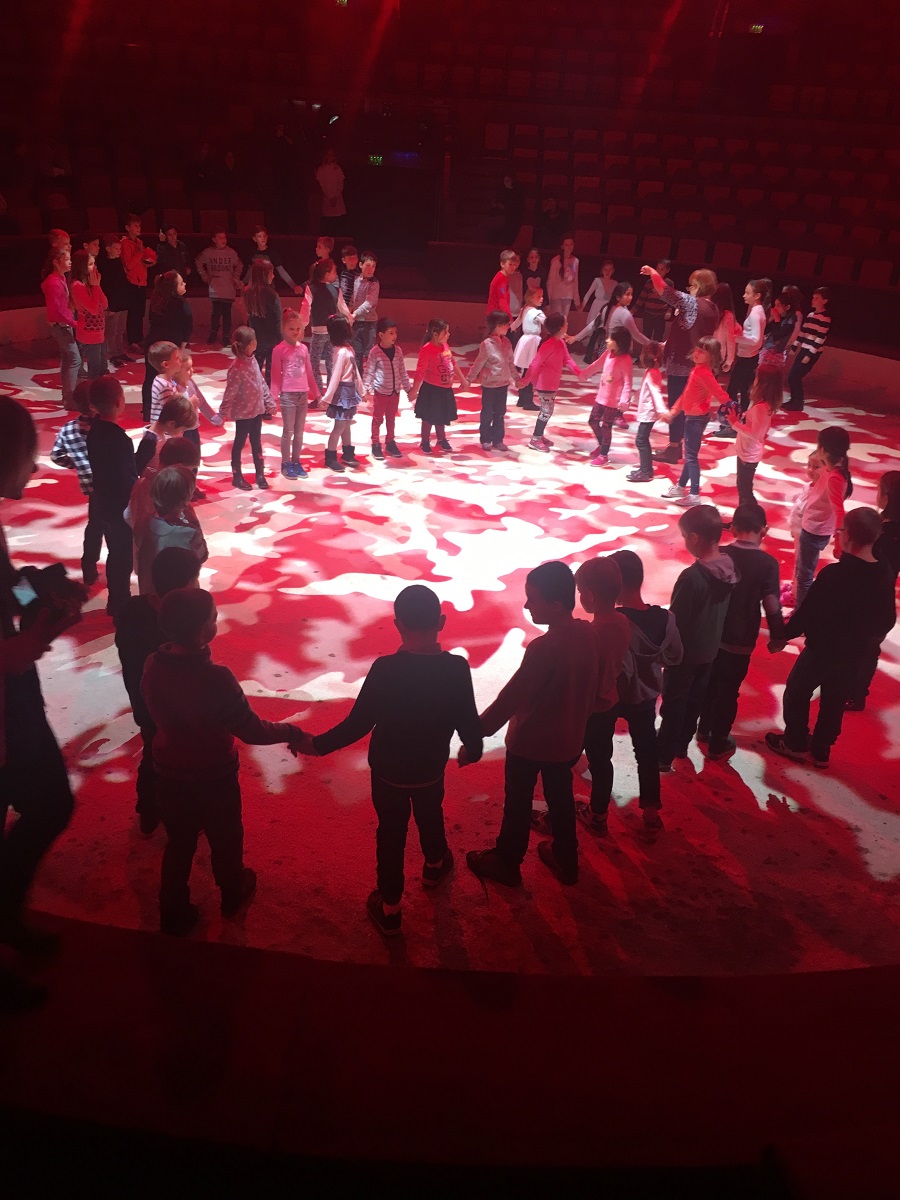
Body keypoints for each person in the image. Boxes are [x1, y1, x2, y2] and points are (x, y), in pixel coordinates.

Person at [300, 585, 483, 936]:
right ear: (441, 622)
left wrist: (317, 745)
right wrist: (472, 747)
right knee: (430, 813)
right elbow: (467, 718)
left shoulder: (385, 669)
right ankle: (434, 865)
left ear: (398, 625)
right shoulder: (457, 668)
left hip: (387, 772)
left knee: (391, 832)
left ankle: (390, 907)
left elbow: (357, 723)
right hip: (430, 768)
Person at [141, 587, 305, 934]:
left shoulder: (152, 664)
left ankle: (171, 908)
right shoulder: (217, 678)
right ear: (204, 630)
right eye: (214, 618)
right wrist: (291, 730)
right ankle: (232, 891)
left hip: (168, 769)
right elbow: (251, 729)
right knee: (225, 835)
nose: (217, 622)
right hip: (213, 774)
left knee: (179, 840)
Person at [0, 396, 82, 987]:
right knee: (48, 803)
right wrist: (33, 639)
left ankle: (5, 913)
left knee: (50, 802)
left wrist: (40, 594)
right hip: (6, 691)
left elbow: (8, 591)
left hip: (15, 693)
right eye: (29, 453)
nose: (34, 466)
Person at [466, 561, 599, 887]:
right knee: (561, 796)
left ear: (555, 605)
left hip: (530, 743)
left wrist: (478, 731)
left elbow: (512, 697)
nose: (526, 605)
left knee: (518, 800)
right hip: (568, 741)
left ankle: (507, 861)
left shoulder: (544, 649)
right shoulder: (588, 634)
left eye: (533, 599)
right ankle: (567, 859)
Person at [766, 507, 896, 769]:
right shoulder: (883, 573)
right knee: (834, 701)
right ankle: (822, 748)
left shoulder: (834, 574)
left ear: (847, 536)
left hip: (821, 650)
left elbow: (806, 614)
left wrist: (782, 636)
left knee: (797, 691)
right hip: (854, 655)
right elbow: (887, 620)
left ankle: (795, 742)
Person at [114, 546, 202, 835]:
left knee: (152, 747)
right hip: (175, 708)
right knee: (180, 757)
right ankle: (180, 813)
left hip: (140, 697)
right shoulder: (181, 621)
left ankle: (148, 810)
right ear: (189, 582)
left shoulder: (131, 610)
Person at [698, 502, 784, 760]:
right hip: (741, 638)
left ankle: (703, 729)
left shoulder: (719, 554)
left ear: (733, 529)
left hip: (711, 634)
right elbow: (771, 602)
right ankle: (718, 742)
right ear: (764, 531)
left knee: (709, 683)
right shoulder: (768, 564)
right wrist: (777, 635)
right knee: (728, 691)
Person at [605, 549, 683, 830]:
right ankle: (650, 812)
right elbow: (676, 656)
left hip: (612, 695)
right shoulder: (666, 619)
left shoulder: (611, 621)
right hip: (645, 697)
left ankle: (598, 808)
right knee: (646, 752)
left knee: (599, 747)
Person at [656, 504, 737, 773]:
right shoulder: (729, 568)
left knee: (674, 704)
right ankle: (681, 745)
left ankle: (663, 755)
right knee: (694, 703)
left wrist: (664, 653)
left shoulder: (691, 577)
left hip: (684, 654)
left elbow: (676, 621)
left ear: (693, 537)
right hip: (709, 651)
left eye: (683, 536)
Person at [567, 557, 641, 836]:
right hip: (609, 703)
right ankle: (599, 814)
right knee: (601, 761)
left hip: (588, 708)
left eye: (580, 591)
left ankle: (560, 813)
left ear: (590, 595)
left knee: (566, 757)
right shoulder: (622, 621)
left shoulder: (591, 633)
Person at [639, 263, 719, 465]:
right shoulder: (713, 309)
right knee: (687, 406)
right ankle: (679, 446)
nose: (689, 288)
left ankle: (674, 447)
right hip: (697, 364)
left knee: (677, 404)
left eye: (691, 285)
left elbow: (665, 291)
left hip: (682, 364)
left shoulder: (693, 304)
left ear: (699, 286)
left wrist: (653, 273)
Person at [846, 471, 900, 711]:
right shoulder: (888, 531)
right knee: (869, 650)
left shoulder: (879, 534)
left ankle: (852, 692)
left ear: (886, 498)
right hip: (884, 603)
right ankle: (857, 693)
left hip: (865, 603)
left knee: (859, 649)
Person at [86, 377, 137, 617]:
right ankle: (120, 601)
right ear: (119, 402)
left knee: (115, 552)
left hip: (102, 501)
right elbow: (128, 475)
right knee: (122, 555)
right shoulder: (119, 439)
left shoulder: (94, 431)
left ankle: (116, 599)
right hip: (119, 507)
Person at [660, 337, 730, 507]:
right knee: (690, 455)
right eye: (697, 349)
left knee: (691, 457)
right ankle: (681, 487)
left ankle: (694, 494)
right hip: (692, 418)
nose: (697, 353)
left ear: (712, 356)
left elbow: (721, 394)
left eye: (702, 351)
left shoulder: (704, 374)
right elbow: (686, 394)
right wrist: (674, 411)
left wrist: (734, 411)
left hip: (696, 420)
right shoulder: (697, 371)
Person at [793, 425, 852, 607]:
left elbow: (839, 510)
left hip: (814, 529)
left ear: (823, 450)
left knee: (804, 576)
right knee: (803, 571)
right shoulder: (832, 469)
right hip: (814, 525)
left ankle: (801, 613)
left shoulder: (835, 477)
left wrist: (839, 539)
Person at [50, 381, 103, 584]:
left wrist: (77, 464)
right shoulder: (106, 428)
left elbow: (56, 455)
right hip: (111, 484)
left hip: (90, 484)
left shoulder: (68, 429)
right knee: (115, 525)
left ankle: (89, 564)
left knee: (94, 525)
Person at [219, 326, 277, 490]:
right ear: (251, 343)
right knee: (239, 443)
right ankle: (237, 475)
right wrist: (222, 413)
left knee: (256, 442)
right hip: (243, 413)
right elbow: (230, 392)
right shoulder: (237, 367)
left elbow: (261, 383)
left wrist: (269, 401)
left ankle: (260, 473)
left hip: (257, 411)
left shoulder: (253, 361)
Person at [710, 279, 768, 436]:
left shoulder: (756, 313)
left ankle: (732, 425)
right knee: (742, 390)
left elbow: (756, 340)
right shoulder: (757, 311)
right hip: (748, 356)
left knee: (733, 390)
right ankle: (739, 423)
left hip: (748, 357)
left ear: (757, 295)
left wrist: (735, 338)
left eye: (748, 293)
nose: (744, 296)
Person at [518, 311, 580, 451]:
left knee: (547, 410)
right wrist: (526, 380)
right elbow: (535, 363)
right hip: (545, 383)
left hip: (552, 382)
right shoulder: (549, 344)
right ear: (561, 328)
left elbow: (567, 359)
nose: (568, 324)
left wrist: (579, 373)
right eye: (566, 322)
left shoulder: (560, 343)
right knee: (546, 411)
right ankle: (535, 439)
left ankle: (539, 436)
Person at [270, 308, 320, 479]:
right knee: (288, 431)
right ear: (283, 329)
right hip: (288, 396)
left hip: (303, 395)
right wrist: (273, 398)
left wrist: (318, 394)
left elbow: (310, 373)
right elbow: (275, 376)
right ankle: (286, 463)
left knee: (299, 432)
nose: (295, 332)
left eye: (298, 329)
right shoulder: (278, 350)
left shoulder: (304, 349)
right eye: (291, 329)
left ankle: (296, 461)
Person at [409, 318, 467, 455]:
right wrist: (414, 390)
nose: (448, 334)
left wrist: (463, 380)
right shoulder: (427, 349)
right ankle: (425, 441)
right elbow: (420, 371)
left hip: (445, 390)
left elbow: (453, 363)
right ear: (435, 334)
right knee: (428, 417)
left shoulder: (445, 346)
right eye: (445, 332)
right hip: (431, 390)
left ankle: (441, 439)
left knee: (441, 415)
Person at [726, 363, 782, 503]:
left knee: (745, 490)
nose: (754, 379)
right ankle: (745, 514)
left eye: (757, 377)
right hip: (747, 452)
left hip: (749, 454)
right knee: (743, 487)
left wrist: (734, 423)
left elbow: (756, 434)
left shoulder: (761, 408)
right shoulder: (763, 405)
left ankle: (748, 514)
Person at [467, 310, 518, 453]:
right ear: (498, 325)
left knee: (500, 413)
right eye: (506, 324)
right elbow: (478, 364)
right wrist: (468, 380)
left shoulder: (507, 342)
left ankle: (498, 440)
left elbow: (510, 363)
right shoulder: (487, 344)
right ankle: (485, 439)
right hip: (489, 385)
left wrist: (517, 378)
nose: (508, 326)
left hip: (503, 384)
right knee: (487, 413)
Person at [143, 272, 192, 420]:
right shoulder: (181, 303)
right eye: (181, 283)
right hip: (170, 345)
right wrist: (181, 346)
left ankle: (148, 410)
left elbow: (151, 321)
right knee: (172, 377)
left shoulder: (156, 300)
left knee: (150, 376)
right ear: (173, 288)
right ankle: (172, 409)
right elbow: (188, 326)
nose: (185, 285)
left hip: (153, 344)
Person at [319, 315, 366, 472]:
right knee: (339, 426)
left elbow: (355, 372)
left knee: (346, 425)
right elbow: (335, 376)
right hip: (342, 392)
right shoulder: (341, 352)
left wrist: (361, 390)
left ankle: (347, 453)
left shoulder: (348, 349)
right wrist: (328, 397)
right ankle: (330, 457)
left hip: (349, 390)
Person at [581, 328, 633, 467]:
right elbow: (596, 365)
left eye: (611, 338)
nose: (607, 340)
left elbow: (628, 382)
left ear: (618, 343)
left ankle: (604, 455)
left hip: (613, 401)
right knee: (592, 421)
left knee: (606, 426)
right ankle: (602, 445)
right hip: (601, 397)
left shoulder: (626, 360)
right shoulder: (608, 353)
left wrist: (624, 400)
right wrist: (584, 374)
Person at [363, 316, 412, 460]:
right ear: (381, 335)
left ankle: (390, 442)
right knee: (377, 419)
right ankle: (375, 443)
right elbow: (369, 371)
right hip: (381, 392)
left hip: (395, 392)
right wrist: (365, 389)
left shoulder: (398, 351)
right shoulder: (375, 352)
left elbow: (402, 371)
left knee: (391, 419)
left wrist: (408, 389)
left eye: (395, 333)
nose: (394, 336)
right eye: (391, 333)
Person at [41, 243, 81, 409]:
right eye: (67, 259)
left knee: (68, 359)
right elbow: (56, 310)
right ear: (56, 262)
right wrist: (74, 323)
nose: (70, 262)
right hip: (60, 325)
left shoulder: (61, 279)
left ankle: (67, 397)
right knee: (75, 360)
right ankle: (69, 398)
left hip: (64, 323)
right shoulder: (53, 282)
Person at [308, 258, 352, 392]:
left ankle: (319, 393)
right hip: (332, 333)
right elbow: (343, 309)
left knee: (314, 363)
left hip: (318, 332)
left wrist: (301, 325)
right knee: (331, 363)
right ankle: (331, 393)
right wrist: (350, 319)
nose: (336, 274)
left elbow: (306, 308)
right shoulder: (335, 290)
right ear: (326, 274)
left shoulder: (311, 289)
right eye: (334, 272)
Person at [785, 287, 831, 412]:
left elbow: (820, 339)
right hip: (805, 348)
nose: (813, 300)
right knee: (793, 376)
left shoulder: (825, 318)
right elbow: (803, 332)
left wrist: (809, 355)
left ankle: (798, 402)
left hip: (812, 352)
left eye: (817, 298)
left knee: (794, 376)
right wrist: (795, 346)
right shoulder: (811, 315)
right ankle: (794, 400)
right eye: (813, 297)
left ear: (824, 301)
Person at [195, 229, 243, 347]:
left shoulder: (231, 252)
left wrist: (235, 278)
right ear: (214, 239)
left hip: (228, 287)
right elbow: (198, 262)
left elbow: (239, 265)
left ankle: (226, 336)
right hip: (215, 287)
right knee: (215, 313)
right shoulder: (208, 252)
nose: (223, 240)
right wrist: (205, 277)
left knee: (227, 314)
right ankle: (213, 334)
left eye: (224, 237)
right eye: (220, 238)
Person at [628, 340, 667, 483]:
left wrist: (662, 411)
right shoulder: (651, 372)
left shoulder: (652, 374)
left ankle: (645, 471)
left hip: (648, 412)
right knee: (643, 440)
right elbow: (644, 389)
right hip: (647, 411)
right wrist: (634, 398)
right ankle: (647, 469)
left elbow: (655, 392)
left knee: (641, 440)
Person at [134, 392, 198, 476]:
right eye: (182, 429)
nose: (182, 432)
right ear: (171, 424)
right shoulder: (150, 441)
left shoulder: (160, 435)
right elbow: (137, 468)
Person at [120, 215, 158, 352]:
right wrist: (140, 252)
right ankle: (132, 341)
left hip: (142, 282)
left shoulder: (139, 242)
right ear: (127, 228)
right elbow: (129, 265)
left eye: (139, 226)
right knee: (133, 313)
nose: (139, 228)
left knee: (140, 313)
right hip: (132, 282)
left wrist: (150, 262)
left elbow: (141, 262)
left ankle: (139, 338)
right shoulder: (125, 244)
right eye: (135, 226)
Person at [69, 248, 108, 379]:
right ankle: (93, 390)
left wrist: (97, 286)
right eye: (90, 264)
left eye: (94, 263)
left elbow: (105, 304)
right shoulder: (77, 285)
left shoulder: (91, 285)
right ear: (81, 267)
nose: (94, 267)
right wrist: (95, 286)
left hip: (99, 332)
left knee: (102, 367)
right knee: (95, 371)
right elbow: (93, 309)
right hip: (89, 333)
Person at [244, 259, 282, 384]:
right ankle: (269, 394)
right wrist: (281, 340)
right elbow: (277, 321)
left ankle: (255, 393)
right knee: (271, 375)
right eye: (271, 273)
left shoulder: (248, 293)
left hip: (256, 341)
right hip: (272, 341)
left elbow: (250, 320)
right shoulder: (272, 295)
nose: (273, 276)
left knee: (255, 372)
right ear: (265, 275)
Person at [575, 259, 617, 360]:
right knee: (594, 331)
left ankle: (600, 354)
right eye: (605, 269)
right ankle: (589, 355)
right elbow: (588, 294)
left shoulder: (615, 283)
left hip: (607, 309)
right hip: (597, 307)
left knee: (603, 333)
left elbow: (616, 298)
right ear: (602, 270)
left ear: (613, 271)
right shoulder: (597, 281)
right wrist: (582, 306)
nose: (607, 272)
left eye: (609, 270)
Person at [511, 286, 544, 411]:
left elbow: (516, 324)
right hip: (531, 343)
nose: (541, 298)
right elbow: (548, 323)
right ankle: (527, 401)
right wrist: (561, 332)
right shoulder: (536, 313)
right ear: (530, 297)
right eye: (538, 296)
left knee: (526, 371)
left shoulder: (524, 310)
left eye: (542, 296)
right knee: (530, 371)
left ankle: (522, 399)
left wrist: (510, 328)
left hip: (525, 341)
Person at [100, 233, 131, 367]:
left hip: (122, 301)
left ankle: (119, 351)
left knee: (120, 330)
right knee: (111, 331)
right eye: (116, 248)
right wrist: (109, 305)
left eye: (120, 248)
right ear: (108, 249)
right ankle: (112, 354)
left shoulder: (118, 262)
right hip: (112, 303)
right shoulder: (103, 264)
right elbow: (106, 286)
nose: (119, 251)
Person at [243, 225, 302, 295]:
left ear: (267, 237)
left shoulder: (272, 252)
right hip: (255, 286)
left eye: (264, 236)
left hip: (269, 286)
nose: (263, 238)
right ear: (254, 238)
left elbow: (281, 270)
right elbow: (250, 270)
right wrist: (243, 283)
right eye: (259, 236)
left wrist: (293, 286)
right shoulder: (252, 252)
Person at [349, 252, 380, 370]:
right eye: (368, 265)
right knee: (356, 353)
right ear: (360, 265)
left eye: (373, 266)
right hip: (356, 323)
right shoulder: (355, 280)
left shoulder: (374, 283)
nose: (371, 269)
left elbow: (369, 303)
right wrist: (348, 314)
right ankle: (358, 379)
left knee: (369, 353)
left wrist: (355, 313)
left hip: (369, 323)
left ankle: (370, 379)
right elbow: (352, 300)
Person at [632, 258, 672, 342]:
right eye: (658, 269)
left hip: (660, 316)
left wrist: (669, 310)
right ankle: (644, 351)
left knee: (658, 338)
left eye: (662, 269)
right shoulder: (649, 282)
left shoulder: (669, 283)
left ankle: (656, 351)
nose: (659, 271)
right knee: (646, 337)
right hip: (648, 314)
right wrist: (632, 311)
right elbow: (641, 298)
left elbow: (671, 299)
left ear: (667, 270)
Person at [146, 340, 183, 424]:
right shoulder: (164, 385)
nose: (181, 359)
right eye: (177, 358)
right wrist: (190, 403)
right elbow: (171, 411)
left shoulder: (167, 381)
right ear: (166, 364)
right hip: (165, 429)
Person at [711, 282, 741, 376]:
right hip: (718, 354)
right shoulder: (728, 315)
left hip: (704, 348)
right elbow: (730, 339)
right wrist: (729, 361)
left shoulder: (709, 308)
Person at [546, 235, 580, 316]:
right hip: (556, 296)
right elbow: (550, 281)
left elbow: (575, 281)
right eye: (566, 245)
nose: (569, 247)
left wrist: (577, 301)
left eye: (571, 244)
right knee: (558, 319)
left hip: (568, 296)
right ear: (562, 246)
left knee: (564, 320)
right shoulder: (556, 261)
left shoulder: (575, 261)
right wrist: (548, 300)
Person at [316, 148, 347, 234]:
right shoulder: (321, 169)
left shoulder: (338, 169)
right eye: (328, 155)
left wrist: (336, 197)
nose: (330, 157)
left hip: (337, 200)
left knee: (337, 224)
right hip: (327, 199)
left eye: (332, 155)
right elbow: (321, 185)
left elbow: (341, 184)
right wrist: (329, 197)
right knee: (327, 223)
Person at [492, 171, 525, 246]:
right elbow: (497, 202)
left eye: (508, 181)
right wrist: (495, 206)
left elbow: (518, 208)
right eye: (504, 181)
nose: (506, 183)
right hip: (500, 215)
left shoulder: (518, 192)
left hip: (512, 217)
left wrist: (504, 208)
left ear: (512, 181)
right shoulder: (501, 191)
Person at [487, 249, 520, 318]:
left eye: (514, 264)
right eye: (510, 264)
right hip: (496, 316)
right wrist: (509, 318)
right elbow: (502, 300)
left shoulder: (504, 278)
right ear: (502, 264)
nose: (513, 267)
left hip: (497, 315)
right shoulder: (501, 279)